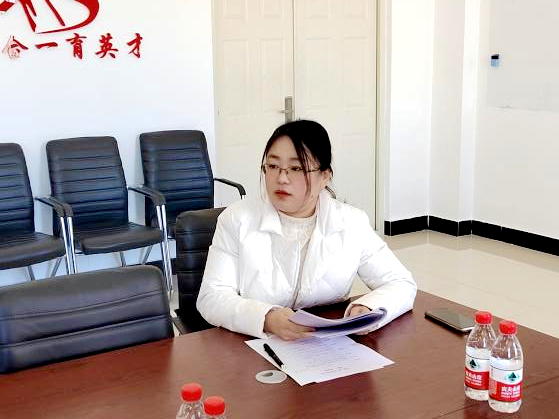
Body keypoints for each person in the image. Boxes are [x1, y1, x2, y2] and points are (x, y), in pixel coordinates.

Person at [197, 120, 416, 340]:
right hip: (252, 344)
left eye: (296, 168)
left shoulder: (351, 223)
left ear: (325, 176)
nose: (281, 179)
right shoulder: (237, 219)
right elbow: (211, 297)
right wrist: (266, 318)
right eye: (272, 166)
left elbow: (401, 283)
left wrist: (368, 308)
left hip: (328, 346)